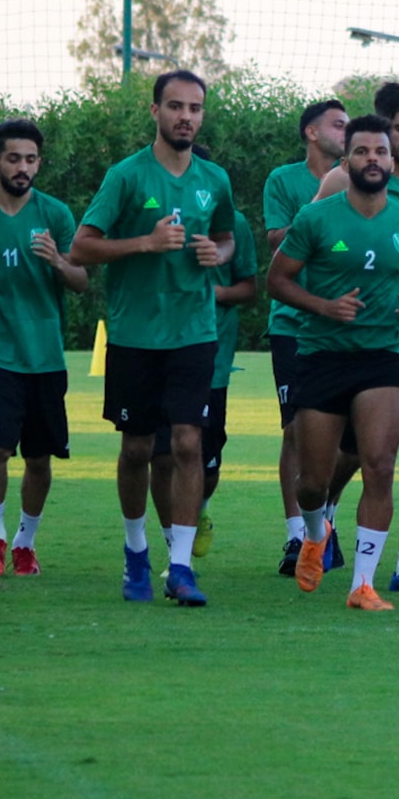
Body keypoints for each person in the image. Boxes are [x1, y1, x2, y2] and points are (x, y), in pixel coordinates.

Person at [72, 69, 237, 607]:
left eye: (194, 108)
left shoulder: (215, 179)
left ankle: (182, 567)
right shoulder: (126, 176)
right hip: (135, 335)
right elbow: (81, 247)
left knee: (188, 442)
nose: (185, 117)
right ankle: (136, 548)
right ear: (155, 112)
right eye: (175, 107)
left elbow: (227, 237)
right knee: (138, 447)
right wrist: (144, 242)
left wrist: (219, 254)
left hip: (194, 330)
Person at [267, 114, 399, 611]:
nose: (374, 160)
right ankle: (315, 534)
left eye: (381, 152)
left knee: (380, 465)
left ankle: (363, 583)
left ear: (391, 158)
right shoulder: (316, 218)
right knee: (312, 482)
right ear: (347, 161)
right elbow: (276, 281)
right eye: (363, 152)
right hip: (320, 356)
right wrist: (324, 306)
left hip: (382, 356)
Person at [314, 83, 399, 596]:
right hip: (355, 341)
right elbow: (315, 246)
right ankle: (321, 514)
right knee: (354, 452)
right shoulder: (336, 181)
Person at [0, 119, 86, 578]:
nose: (23, 167)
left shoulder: (56, 215)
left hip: (45, 355)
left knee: (39, 457)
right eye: (14, 158)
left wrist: (58, 261)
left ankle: (25, 542)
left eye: (30, 159)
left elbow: (82, 281)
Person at [147, 143, 257, 561]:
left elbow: (249, 287)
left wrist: (212, 292)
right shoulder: (156, 216)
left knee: (204, 463)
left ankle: (200, 508)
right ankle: (174, 543)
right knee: (161, 453)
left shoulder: (235, 225)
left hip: (212, 361)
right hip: (156, 349)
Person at [264, 98, 347, 576]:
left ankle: (324, 522)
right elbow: (278, 238)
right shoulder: (284, 179)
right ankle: (297, 534)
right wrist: (322, 213)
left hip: (342, 325)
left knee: (341, 436)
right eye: (338, 125)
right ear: (312, 133)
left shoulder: (361, 179)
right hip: (293, 322)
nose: (347, 132)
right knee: (295, 427)